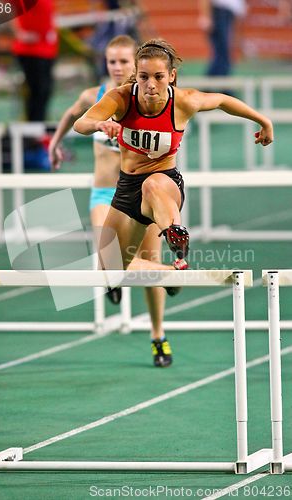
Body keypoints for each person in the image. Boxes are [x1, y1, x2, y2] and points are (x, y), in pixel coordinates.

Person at [73, 38, 273, 333]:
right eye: (143, 77)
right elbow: (81, 123)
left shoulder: (184, 100)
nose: (150, 85)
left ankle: (175, 233)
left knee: (154, 184)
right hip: (126, 190)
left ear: (171, 76)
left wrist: (263, 120)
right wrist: (101, 124)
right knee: (110, 271)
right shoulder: (121, 98)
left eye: (158, 77)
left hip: (164, 185)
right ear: (136, 76)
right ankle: (170, 273)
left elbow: (222, 100)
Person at [49, 35, 178, 368]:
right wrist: (55, 144)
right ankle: (151, 274)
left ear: (137, 64)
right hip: (106, 194)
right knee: (106, 258)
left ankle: (158, 334)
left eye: (124, 61)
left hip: (141, 191)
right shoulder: (97, 96)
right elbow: (73, 116)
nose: (118, 67)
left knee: (147, 262)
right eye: (112, 61)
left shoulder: (149, 96)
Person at [12, 0, 58, 122]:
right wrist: (17, 32)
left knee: (44, 92)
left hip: (47, 49)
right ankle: (33, 130)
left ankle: (38, 127)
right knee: (37, 92)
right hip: (30, 50)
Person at [198, 0, 247, 78]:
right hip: (219, 13)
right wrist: (206, 16)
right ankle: (217, 84)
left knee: (224, 54)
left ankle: (213, 84)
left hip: (227, 15)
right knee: (222, 54)